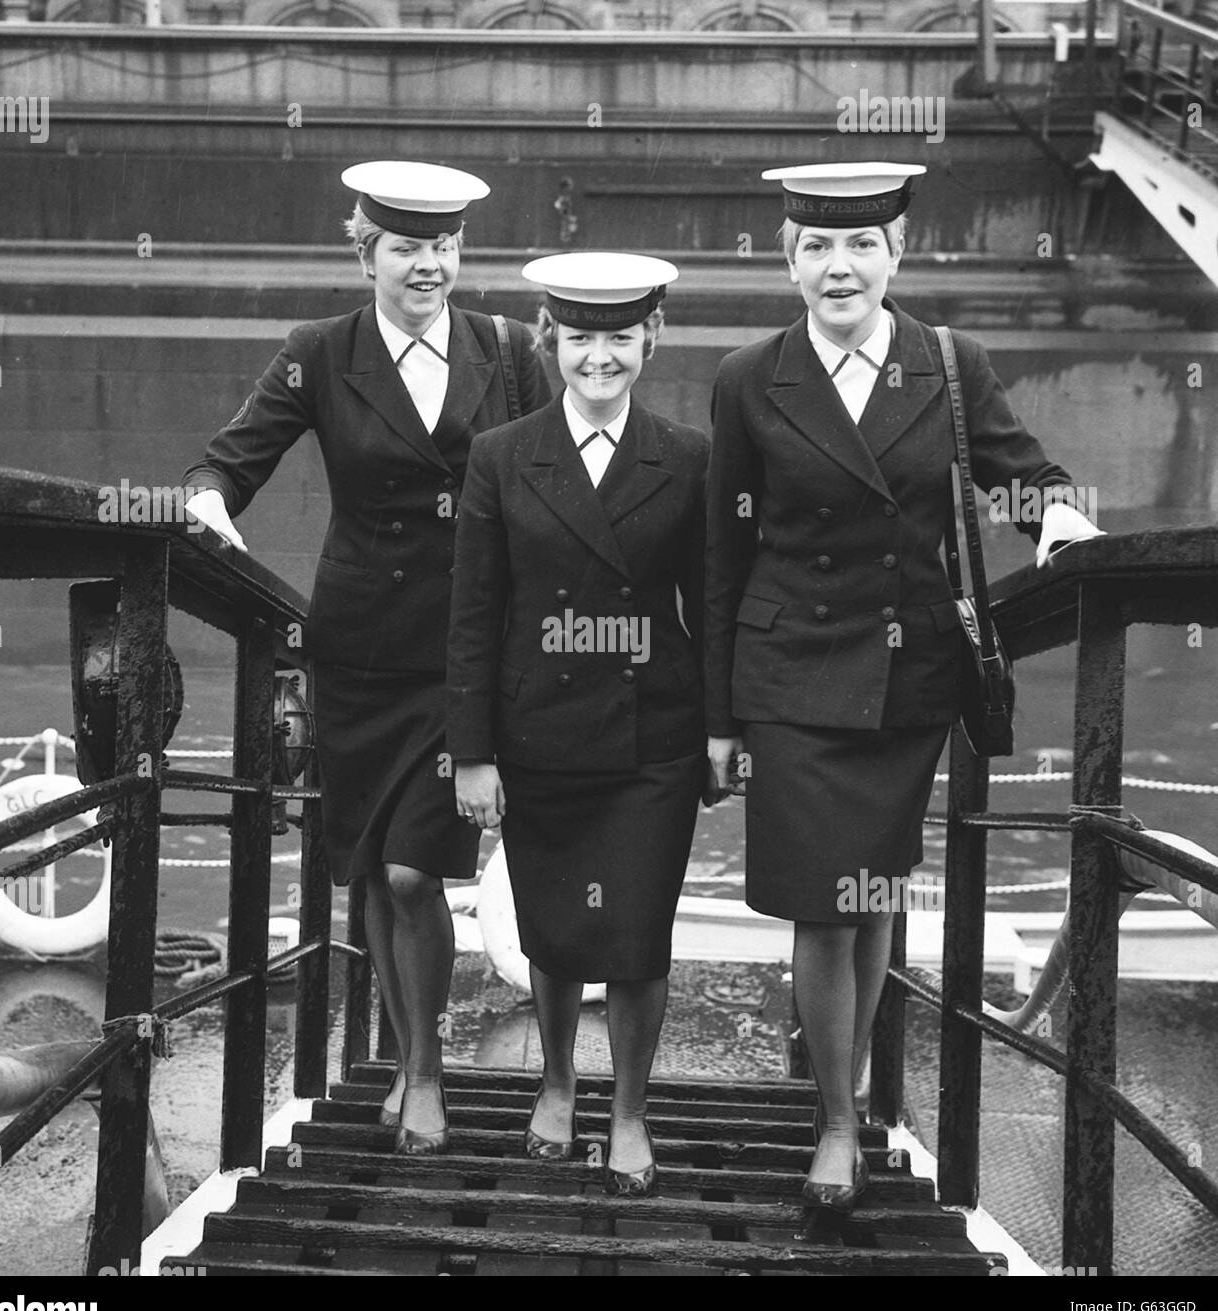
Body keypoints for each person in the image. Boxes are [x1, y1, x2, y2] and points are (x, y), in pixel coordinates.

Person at [704, 163, 1103, 1212]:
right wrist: (718, 718)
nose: (840, 268)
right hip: (790, 674)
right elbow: (721, 554)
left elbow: (1019, 471)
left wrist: (1058, 519)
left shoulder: (947, 362)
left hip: (904, 675)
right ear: (789, 263)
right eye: (816, 250)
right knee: (819, 905)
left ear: (895, 254)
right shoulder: (748, 376)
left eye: (861, 246)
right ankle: (838, 1123)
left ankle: (861, 1096)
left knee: (873, 892)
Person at [183, 160, 550, 1156]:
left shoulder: (510, 349)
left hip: (466, 656)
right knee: (371, 871)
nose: (428, 265)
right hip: (361, 653)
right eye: (406, 248)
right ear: (368, 253)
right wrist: (209, 503)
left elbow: (552, 482)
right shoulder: (321, 353)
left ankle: (421, 1072)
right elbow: (230, 459)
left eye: (443, 246)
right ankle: (410, 1057)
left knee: (406, 869)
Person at [447, 253, 715, 1195]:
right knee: (557, 930)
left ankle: (631, 1111)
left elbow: (711, 605)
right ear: (550, 339)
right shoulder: (502, 454)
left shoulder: (687, 456)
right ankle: (557, 1086)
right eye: (580, 338)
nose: (600, 357)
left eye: (620, 337)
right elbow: (475, 612)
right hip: (540, 732)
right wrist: (472, 752)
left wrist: (723, 731)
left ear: (652, 338)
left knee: (639, 931)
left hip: (654, 738)